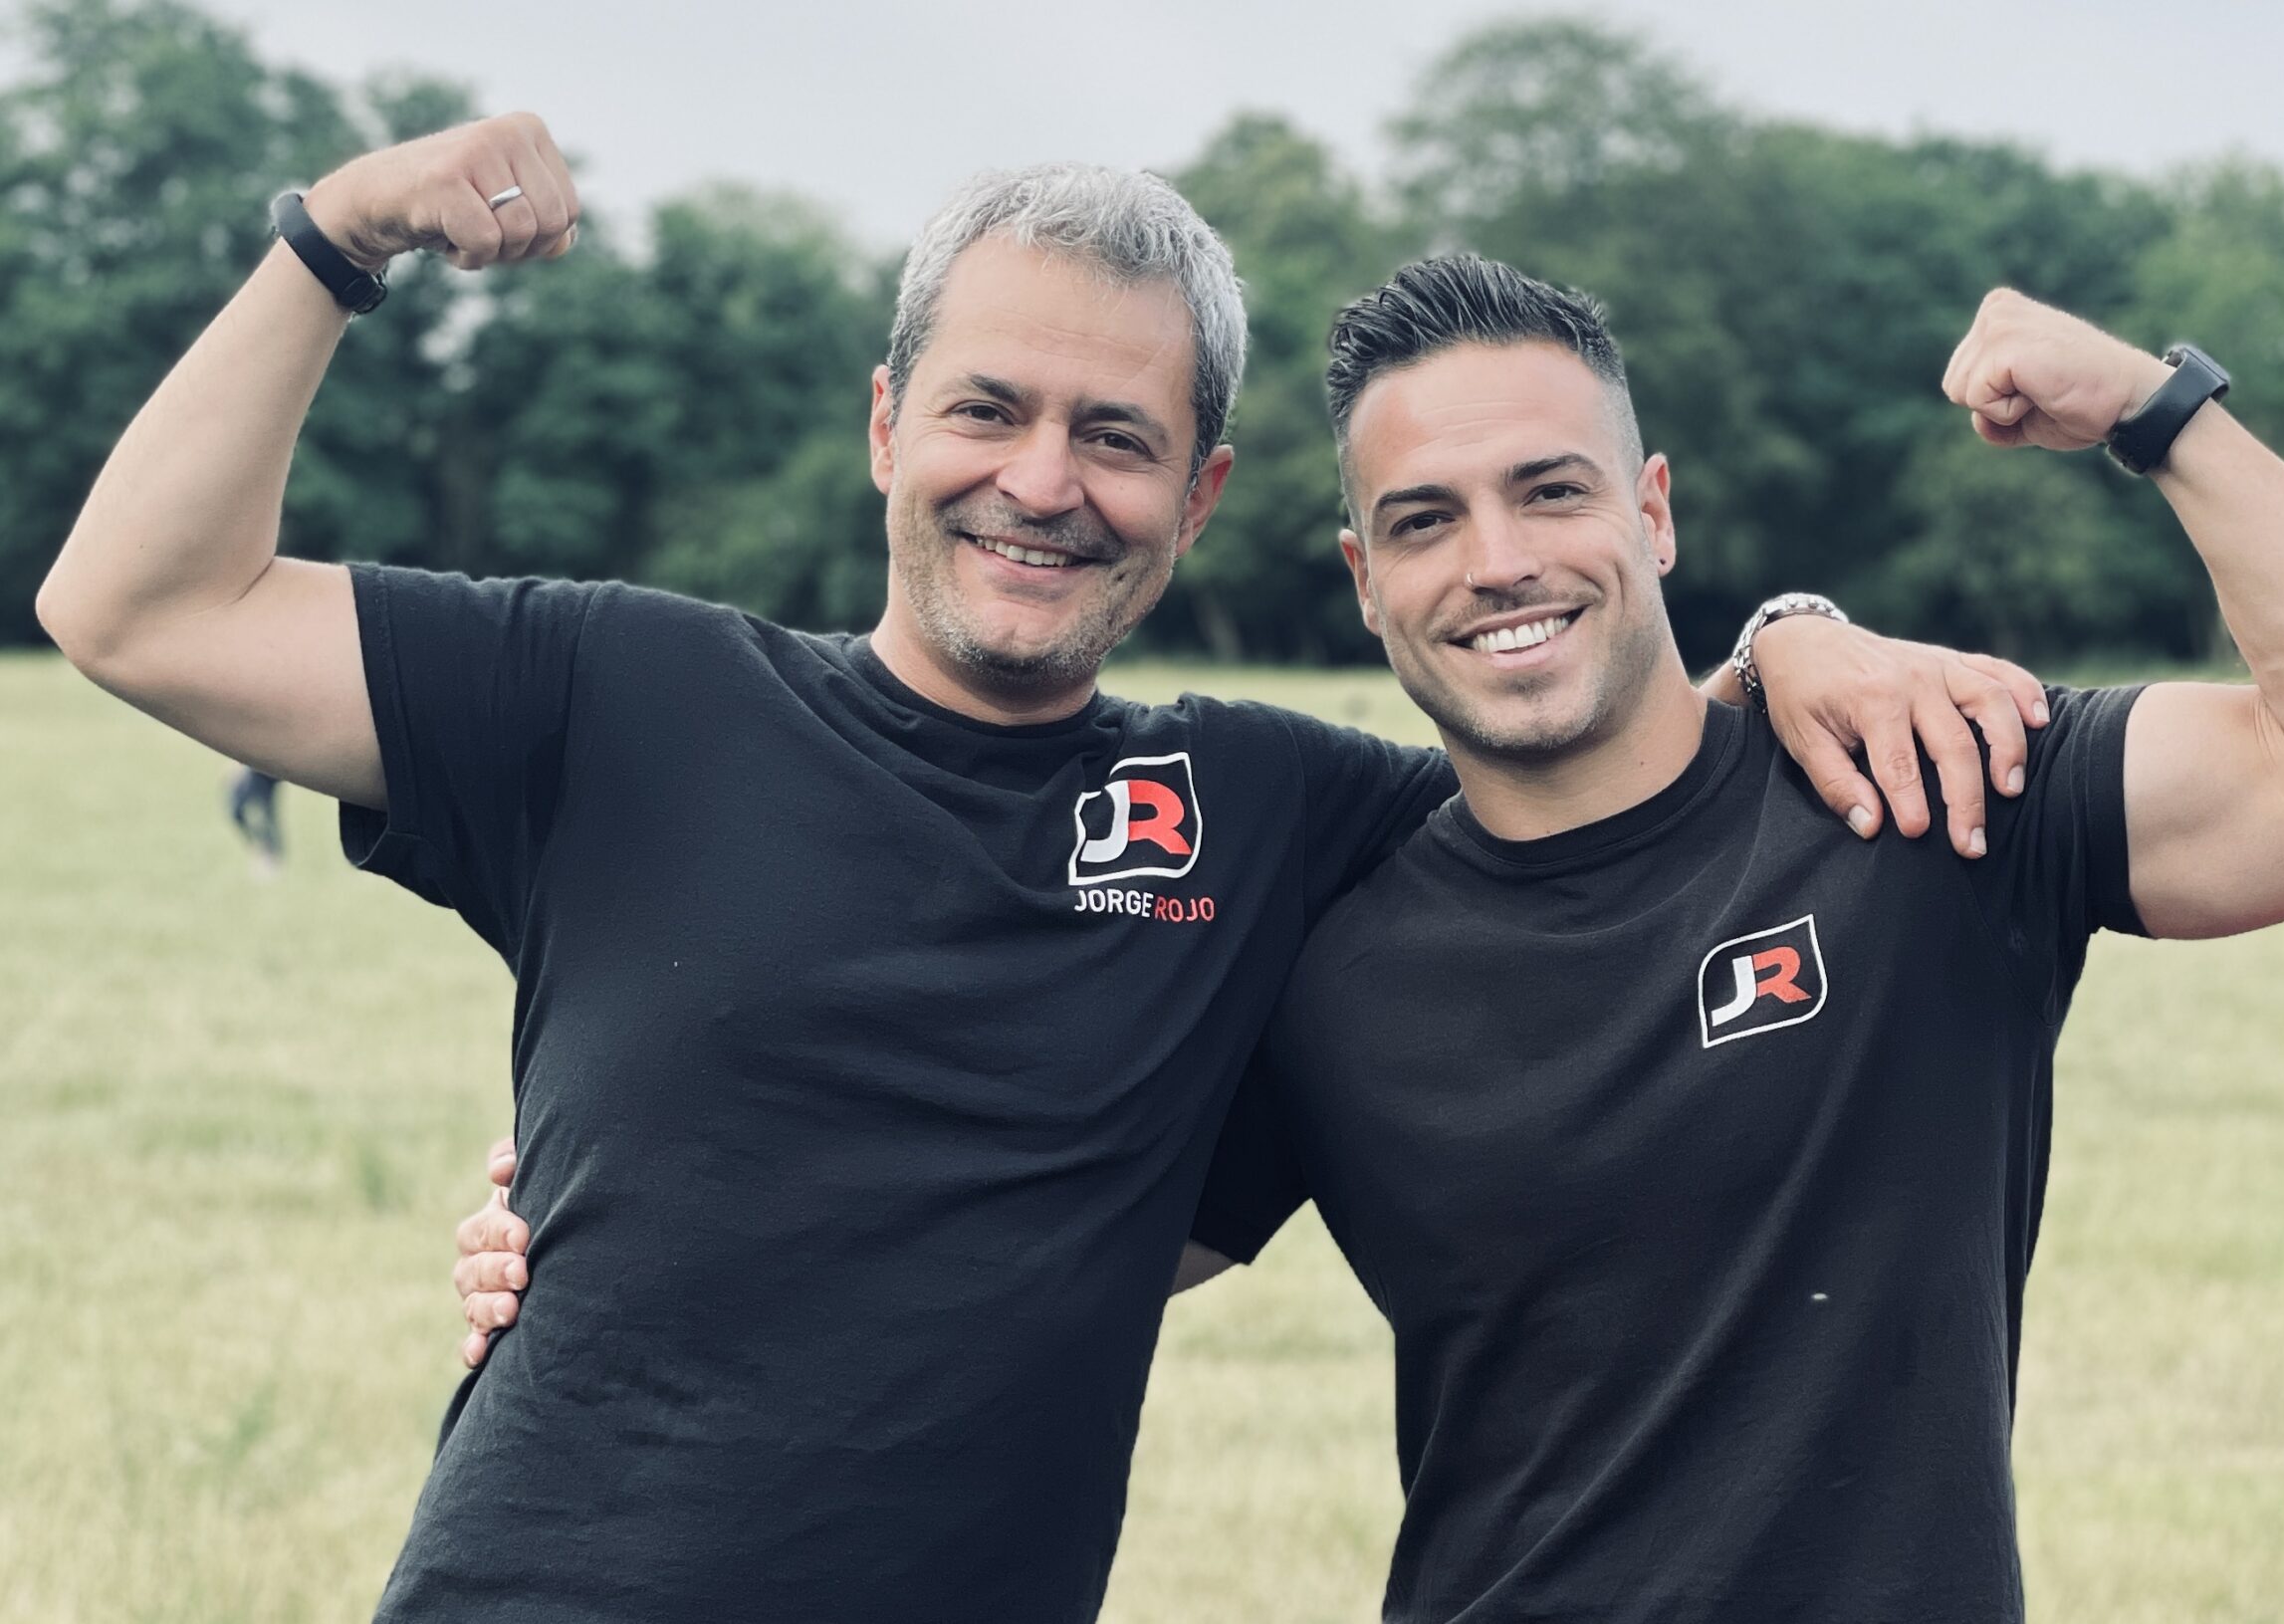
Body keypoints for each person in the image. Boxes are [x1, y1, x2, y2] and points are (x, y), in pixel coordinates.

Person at [41, 113, 2047, 1621]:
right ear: (887, 421)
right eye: (987, 409)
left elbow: (1583, 745)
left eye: (1113, 433)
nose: (1040, 480)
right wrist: (333, 237)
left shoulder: (1270, 809)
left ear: (1200, 492)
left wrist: (1789, 630)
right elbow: (138, 603)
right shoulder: (609, 690)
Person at [454, 256, 2284, 1620]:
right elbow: (1000, 1245)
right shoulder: (1326, 936)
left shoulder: (1920, 793)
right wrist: (595, 1219)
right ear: (1358, 574)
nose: (1496, 560)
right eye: (1424, 521)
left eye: (1548, 492)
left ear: (1655, 512)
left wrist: (2154, 413)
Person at [225, 763, 284, 874]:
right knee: (236, 812)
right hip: (252, 771)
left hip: (266, 773)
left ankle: (269, 855)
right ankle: (260, 850)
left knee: (267, 815)